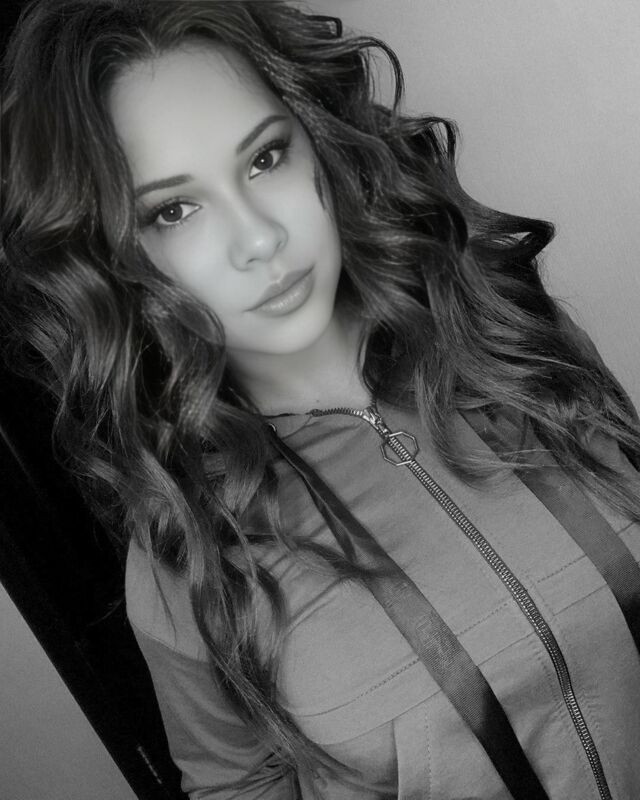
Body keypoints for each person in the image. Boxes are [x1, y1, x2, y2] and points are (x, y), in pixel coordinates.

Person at [2, 1, 640, 798]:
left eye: (265, 158)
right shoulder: (186, 542)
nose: (259, 238)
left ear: (318, 142)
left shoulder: (507, 337)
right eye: (174, 210)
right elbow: (238, 785)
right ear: (114, 263)